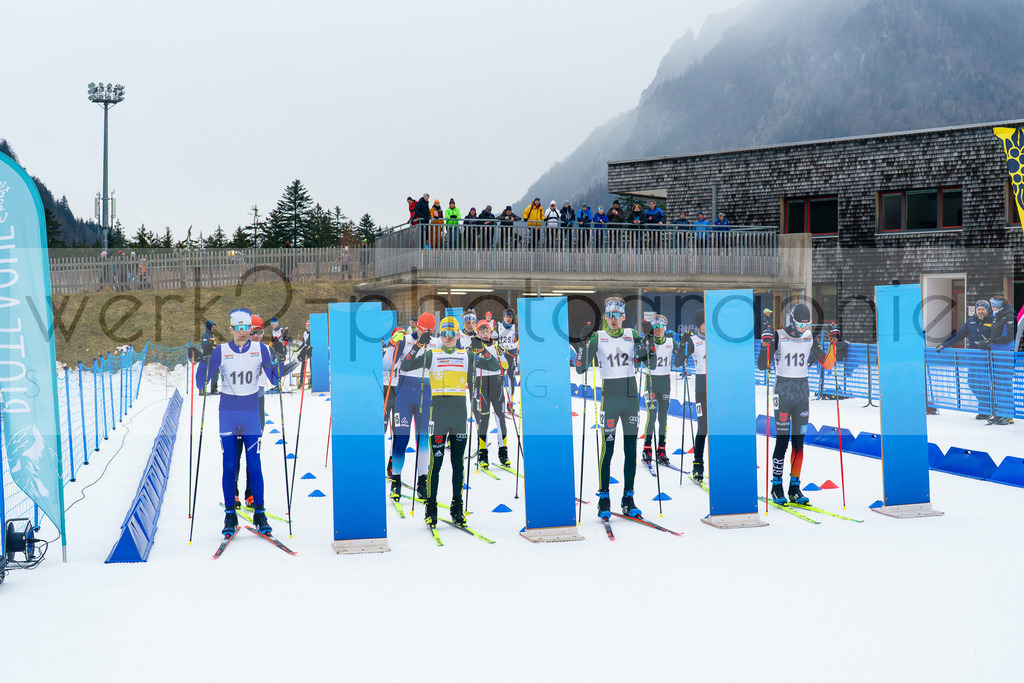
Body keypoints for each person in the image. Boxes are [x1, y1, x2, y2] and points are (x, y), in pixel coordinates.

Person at [400, 316, 500, 527]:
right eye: (443, 333)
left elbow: (493, 365)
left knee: (457, 464)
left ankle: (457, 507)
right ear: (440, 335)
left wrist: (481, 349)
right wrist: (418, 344)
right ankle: (431, 507)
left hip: (458, 415)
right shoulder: (432, 354)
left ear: (457, 335)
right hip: (438, 414)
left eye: (451, 333)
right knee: (435, 465)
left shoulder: (467, 356)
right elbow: (406, 365)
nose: (447, 337)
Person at [196, 308, 280, 537]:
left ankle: (259, 513)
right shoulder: (221, 351)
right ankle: (230, 514)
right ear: (231, 329)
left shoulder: (260, 349)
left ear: (250, 329)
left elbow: (274, 378)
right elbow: (200, 383)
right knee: (229, 464)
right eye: (238, 328)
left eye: (246, 328)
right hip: (229, 413)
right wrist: (204, 360)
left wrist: (277, 359)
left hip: (251, 412)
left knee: (255, 464)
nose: (242, 332)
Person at [574, 296, 654, 520]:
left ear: (624, 316)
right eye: (609, 315)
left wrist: (648, 341)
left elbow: (651, 361)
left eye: (617, 315)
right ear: (605, 317)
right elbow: (580, 369)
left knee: (630, 450)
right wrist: (582, 344)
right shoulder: (598, 338)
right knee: (607, 450)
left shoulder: (632, 334)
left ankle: (628, 499)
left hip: (630, 397)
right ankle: (604, 499)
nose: (613, 319)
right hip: (609, 398)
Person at [758, 303, 838, 506]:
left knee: (799, 443)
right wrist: (765, 345)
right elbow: (762, 365)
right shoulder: (778, 335)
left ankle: (794, 487)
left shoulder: (809, 337)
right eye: (800, 324)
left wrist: (833, 343)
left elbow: (827, 364)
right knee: (782, 441)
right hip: (783, 391)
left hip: (802, 392)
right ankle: (776, 486)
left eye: (807, 324)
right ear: (792, 320)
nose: (803, 328)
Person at [388, 313, 438, 501]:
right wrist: (393, 344)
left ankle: (422, 481)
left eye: (428, 330)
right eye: (422, 328)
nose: (424, 332)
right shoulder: (406, 339)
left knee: (423, 439)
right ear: (417, 325)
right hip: (404, 390)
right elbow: (388, 364)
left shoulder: (436, 343)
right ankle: (396, 481)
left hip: (425, 391)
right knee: (402, 439)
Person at [937, 300, 994, 420]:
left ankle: (986, 410)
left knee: (983, 384)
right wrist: (944, 344)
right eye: (979, 309)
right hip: (973, 358)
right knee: (972, 383)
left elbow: (997, 338)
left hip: (986, 359)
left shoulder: (993, 321)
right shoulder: (970, 322)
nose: (981, 311)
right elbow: (958, 335)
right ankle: (987, 406)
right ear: (976, 310)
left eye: (983, 309)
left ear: (987, 311)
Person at [641, 314, 685, 468]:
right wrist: (646, 343)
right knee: (651, 416)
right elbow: (642, 358)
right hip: (651, 381)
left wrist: (683, 347)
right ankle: (647, 449)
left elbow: (680, 361)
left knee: (663, 418)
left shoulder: (670, 342)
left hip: (665, 381)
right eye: (655, 326)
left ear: (665, 328)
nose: (658, 329)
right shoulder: (648, 341)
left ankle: (661, 449)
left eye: (661, 327)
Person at [234, 314, 268, 507]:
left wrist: (299, 358)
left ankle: (250, 493)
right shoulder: (236, 350)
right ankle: (234, 493)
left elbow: (278, 374)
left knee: (253, 453)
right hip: (237, 405)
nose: (256, 336)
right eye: (252, 332)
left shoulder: (265, 351)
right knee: (235, 452)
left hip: (257, 405)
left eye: (259, 332)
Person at [471, 320, 511, 468]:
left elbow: (505, 365)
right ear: (477, 332)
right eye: (481, 331)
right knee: (483, 421)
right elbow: (474, 362)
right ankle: (483, 455)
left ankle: (503, 453)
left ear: (490, 331)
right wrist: (490, 362)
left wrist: (498, 357)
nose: (484, 333)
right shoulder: (474, 346)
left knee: (501, 420)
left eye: (486, 331)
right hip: (482, 385)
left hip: (497, 385)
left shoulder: (496, 346)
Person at [677, 309, 708, 482]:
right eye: (704, 324)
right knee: (703, 428)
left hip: (718, 388)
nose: (707, 327)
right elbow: (677, 361)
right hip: (702, 389)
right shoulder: (694, 341)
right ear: (698, 325)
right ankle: (698, 464)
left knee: (718, 428)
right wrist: (682, 345)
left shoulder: (717, 340)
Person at [984, 294, 1016, 425]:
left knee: (1004, 384)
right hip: (996, 354)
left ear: (999, 306)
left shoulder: (1009, 317)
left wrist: (992, 341)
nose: (992, 307)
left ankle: (1008, 414)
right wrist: (988, 342)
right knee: (997, 384)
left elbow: (1009, 337)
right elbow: (996, 335)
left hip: (1004, 355)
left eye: (993, 305)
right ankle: (1000, 411)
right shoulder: (998, 317)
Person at [382, 327, 403, 433]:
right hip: (386, 389)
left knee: (397, 427)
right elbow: (384, 366)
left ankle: (394, 449)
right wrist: (392, 346)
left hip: (399, 390)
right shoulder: (386, 350)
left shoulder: (405, 350)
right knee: (383, 424)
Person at [497, 309, 519, 400]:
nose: (508, 319)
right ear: (503, 317)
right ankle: (500, 399)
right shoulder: (497, 326)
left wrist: (509, 346)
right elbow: (493, 339)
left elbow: (517, 342)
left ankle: (510, 402)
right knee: (499, 378)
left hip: (510, 354)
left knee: (511, 378)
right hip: (500, 354)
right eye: (506, 316)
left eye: (510, 317)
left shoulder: (515, 327)